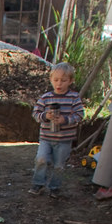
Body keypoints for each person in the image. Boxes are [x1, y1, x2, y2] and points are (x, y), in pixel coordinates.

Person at [29, 62, 84, 198]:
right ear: (51, 80)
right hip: (46, 138)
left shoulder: (74, 98)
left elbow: (80, 115)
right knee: (41, 159)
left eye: (63, 80)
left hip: (64, 140)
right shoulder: (46, 97)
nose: (59, 84)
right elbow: (35, 113)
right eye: (56, 80)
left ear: (70, 81)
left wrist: (65, 120)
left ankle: (55, 187)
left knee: (59, 165)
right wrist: (45, 116)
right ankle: (38, 184)